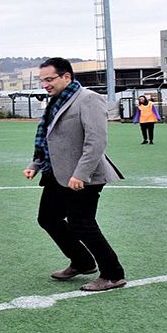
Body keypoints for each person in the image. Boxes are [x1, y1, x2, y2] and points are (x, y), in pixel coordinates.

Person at [23, 57, 126, 292]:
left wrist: (81, 174)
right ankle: (82, 262)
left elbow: (96, 141)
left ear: (66, 77)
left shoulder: (88, 99)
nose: (45, 85)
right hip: (56, 172)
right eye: (42, 80)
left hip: (83, 175)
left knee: (82, 223)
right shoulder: (55, 102)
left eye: (49, 79)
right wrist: (35, 164)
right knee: (48, 218)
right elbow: (49, 139)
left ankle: (113, 274)